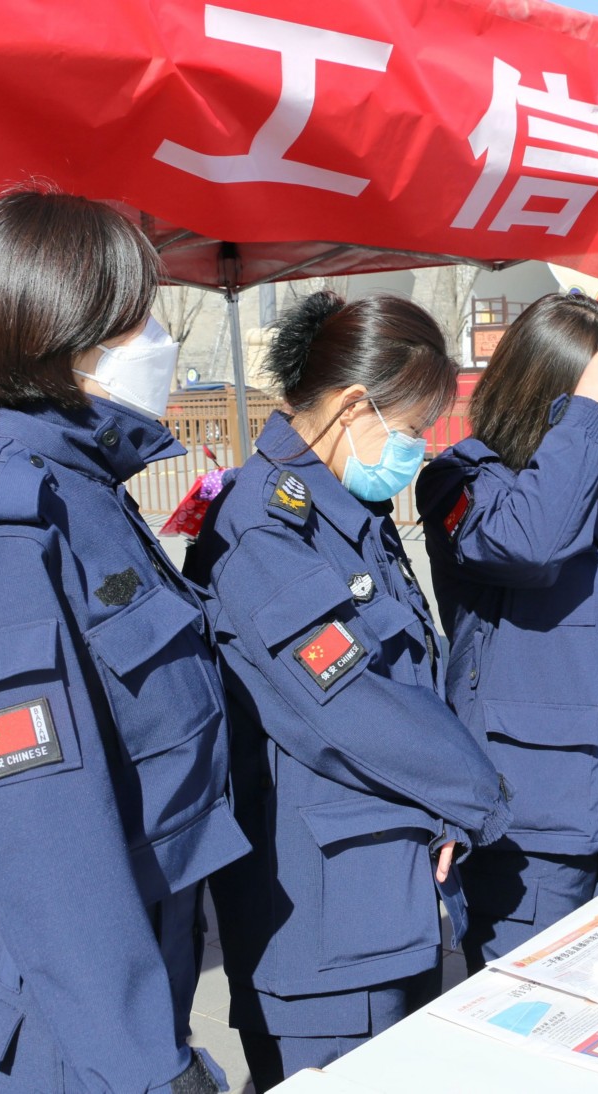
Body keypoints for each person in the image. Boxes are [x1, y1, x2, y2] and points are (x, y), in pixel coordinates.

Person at [0, 190, 246, 1093]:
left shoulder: (81, 489)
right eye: (137, 319)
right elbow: (43, 839)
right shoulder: (5, 532)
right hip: (73, 1028)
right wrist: (150, 1066)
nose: (157, 340)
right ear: (68, 334)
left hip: (137, 953)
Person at [182, 292, 514, 1089]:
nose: (416, 448)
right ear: (354, 406)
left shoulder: (342, 506)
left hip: (381, 898)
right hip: (323, 932)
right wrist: (478, 797)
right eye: (411, 427)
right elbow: (352, 706)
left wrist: (442, 810)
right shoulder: (265, 529)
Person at [416, 293, 598, 971]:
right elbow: (530, 547)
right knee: (526, 1013)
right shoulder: (463, 479)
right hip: (530, 831)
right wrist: (588, 414)